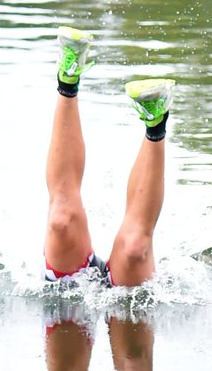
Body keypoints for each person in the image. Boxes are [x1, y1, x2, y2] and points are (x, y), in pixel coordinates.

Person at [44, 26, 175, 291]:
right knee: (60, 220)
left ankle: (155, 121)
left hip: (127, 292)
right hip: (70, 295)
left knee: (135, 246)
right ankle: (68, 77)